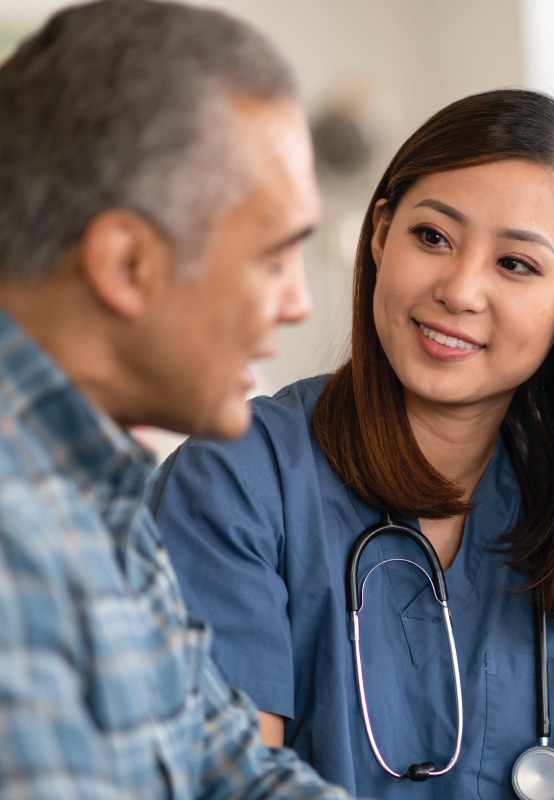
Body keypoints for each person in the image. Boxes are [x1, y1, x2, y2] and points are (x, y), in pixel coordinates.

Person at [149, 88, 554, 799]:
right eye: (433, 237)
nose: (460, 289)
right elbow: (227, 784)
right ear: (380, 235)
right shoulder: (234, 481)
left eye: (517, 265)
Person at [0, 1, 360, 797]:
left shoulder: (102, 496)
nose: (300, 302)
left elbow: (238, 770)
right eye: (274, 258)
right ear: (128, 265)